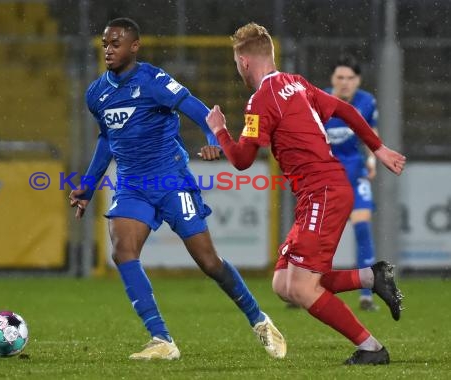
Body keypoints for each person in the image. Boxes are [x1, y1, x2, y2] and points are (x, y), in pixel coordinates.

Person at [69, 17, 286, 361]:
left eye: (116, 44)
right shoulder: (97, 93)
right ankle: (161, 340)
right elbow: (107, 138)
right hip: (130, 183)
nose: (109, 50)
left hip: (170, 178)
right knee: (123, 251)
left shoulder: (154, 81)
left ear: (134, 47)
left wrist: (215, 139)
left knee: (209, 262)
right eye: (105, 45)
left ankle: (259, 320)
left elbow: (199, 112)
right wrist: (88, 185)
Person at [206, 22, 405, 365]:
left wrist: (220, 131)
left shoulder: (260, 101)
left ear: (245, 62)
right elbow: (344, 109)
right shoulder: (295, 83)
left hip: (323, 192)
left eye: (237, 61)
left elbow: (241, 160)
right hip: (318, 194)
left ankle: (372, 348)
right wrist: (379, 148)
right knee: (284, 283)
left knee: (301, 287)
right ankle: (372, 277)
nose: (238, 68)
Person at [324, 56, 380, 311]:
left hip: (355, 171)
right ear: (332, 79)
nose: (345, 83)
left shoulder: (367, 102)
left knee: (362, 227)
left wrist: (373, 159)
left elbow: (372, 133)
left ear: (358, 81)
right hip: (325, 176)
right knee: (319, 238)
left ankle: (367, 294)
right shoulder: (318, 101)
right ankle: (306, 285)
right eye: (340, 78)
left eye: (350, 78)